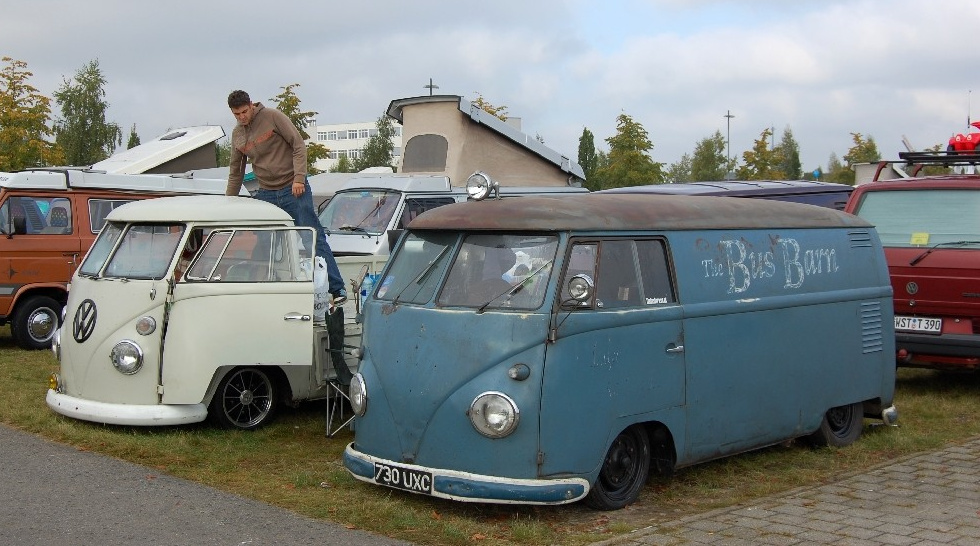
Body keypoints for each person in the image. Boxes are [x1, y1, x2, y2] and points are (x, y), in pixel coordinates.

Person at [224, 90, 347, 304]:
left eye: (244, 112)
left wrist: (299, 178)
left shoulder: (273, 117)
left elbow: (298, 145)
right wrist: (228, 202)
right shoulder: (237, 135)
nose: (242, 117)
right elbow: (236, 171)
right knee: (264, 241)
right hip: (266, 192)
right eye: (237, 114)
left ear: (251, 105)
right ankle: (263, 292)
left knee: (311, 237)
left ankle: (337, 289)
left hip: (293, 188)